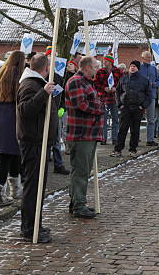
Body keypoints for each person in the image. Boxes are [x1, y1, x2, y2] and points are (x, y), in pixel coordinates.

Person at [16, 53, 58, 242]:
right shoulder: (30, 84)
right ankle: (29, 228)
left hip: (40, 140)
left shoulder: (37, 83)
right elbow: (25, 110)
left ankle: (35, 224)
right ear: (45, 68)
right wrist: (44, 93)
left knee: (38, 186)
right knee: (33, 186)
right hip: (33, 141)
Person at [0, 52, 26, 207]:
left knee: (11, 156)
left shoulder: (0, 75)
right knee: (7, 158)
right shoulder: (20, 77)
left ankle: (14, 190)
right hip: (13, 120)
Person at [65, 56, 105, 219]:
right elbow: (81, 104)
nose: (97, 69)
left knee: (83, 170)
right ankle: (78, 205)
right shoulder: (76, 81)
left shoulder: (87, 82)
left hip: (89, 132)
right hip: (81, 133)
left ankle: (76, 201)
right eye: (95, 66)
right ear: (87, 67)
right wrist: (99, 109)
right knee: (80, 171)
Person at [111, 60, 150, 157]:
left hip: (137, 108)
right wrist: (119, 104)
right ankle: (118, 150)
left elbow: (149, 94)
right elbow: (118, 92)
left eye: (135, 66)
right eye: (131, 66)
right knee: (122, 129)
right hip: (126, 107)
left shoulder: (144, 80)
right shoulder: (123, 79)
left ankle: (133, 149)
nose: (132, 68)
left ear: (138, 68)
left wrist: (143, 106)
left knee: (135, 129)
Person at [93, 53, 122, 146]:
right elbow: (96, 84)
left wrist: (116, 88)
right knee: (103, 120)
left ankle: (115, 138)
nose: (103, 62)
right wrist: (104, 88)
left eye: (105, 61)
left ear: (110, 62)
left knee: (115, 119)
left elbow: (122, 83)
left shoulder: (118, 71)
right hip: (103, 98)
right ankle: (103, 138)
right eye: (103, 61)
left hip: (114, 98)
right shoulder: (100, 72)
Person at [138, 51, 159, 146]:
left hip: (151, 96)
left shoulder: (154, 68)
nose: (149, 59)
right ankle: (136, 138)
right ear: (142, 58)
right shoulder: (139, 68)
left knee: (151, 119)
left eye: (150, 57)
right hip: (140, 96)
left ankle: (150, 140)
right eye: (147, 57)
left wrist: (153, 84)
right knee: (137, 118)